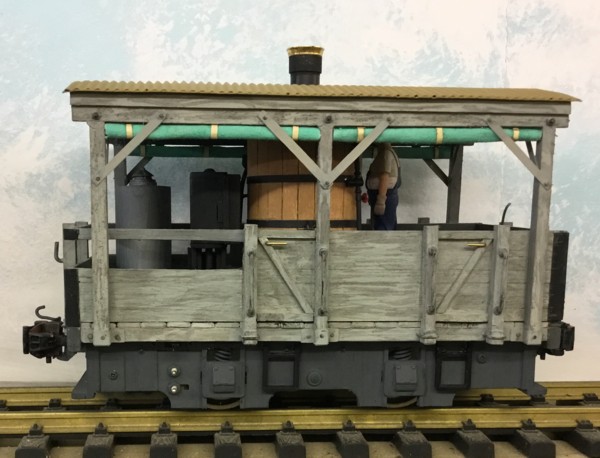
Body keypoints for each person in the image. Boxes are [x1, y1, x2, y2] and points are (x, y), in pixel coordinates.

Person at [366, 143, 401, 230]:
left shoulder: (386, 153)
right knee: (384, 226)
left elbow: (385, 176)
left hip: (386, 196)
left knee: (384, 228)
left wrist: (381, 201)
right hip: (385, 195)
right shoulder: (385, 152)